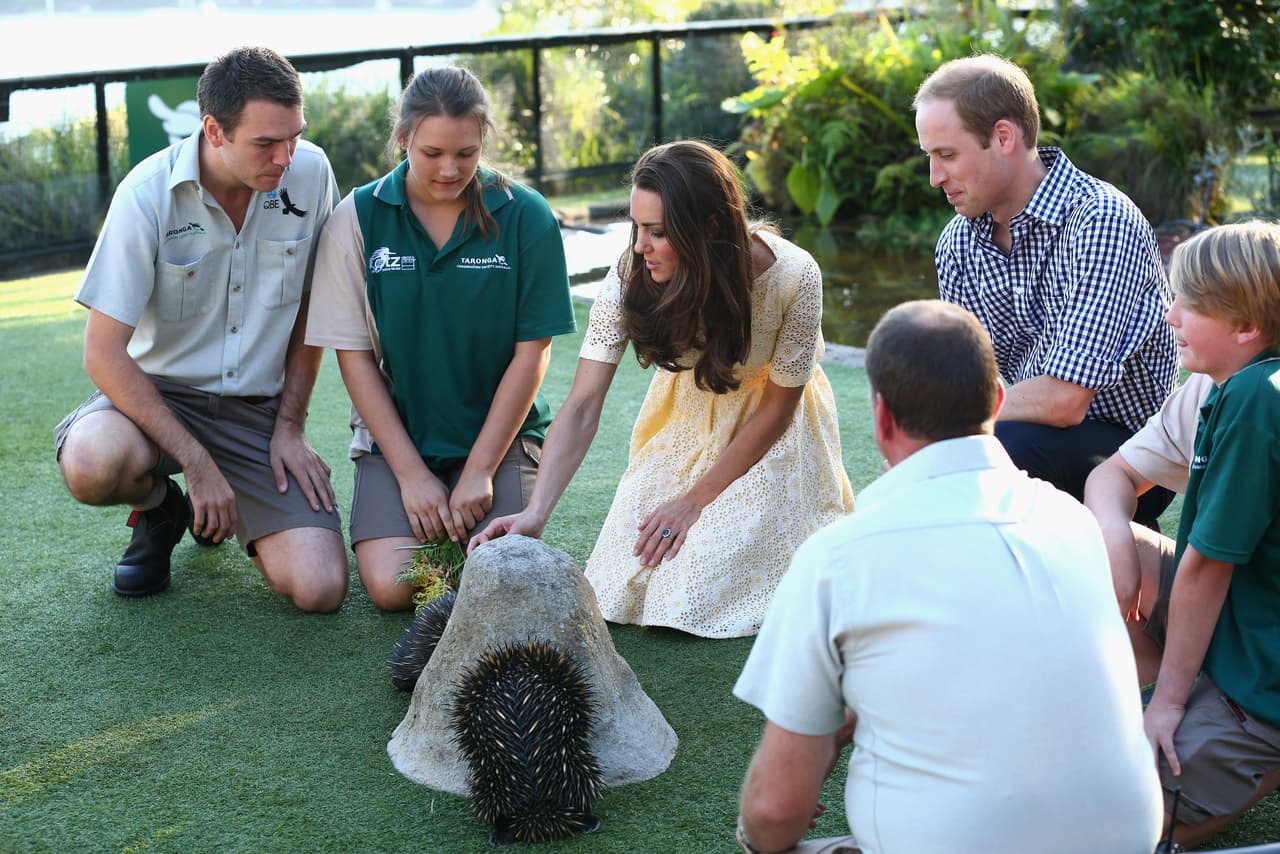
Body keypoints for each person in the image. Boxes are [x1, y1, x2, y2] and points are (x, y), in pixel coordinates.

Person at [733, 300, 1163, 854]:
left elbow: (775, 812)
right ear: (1000, 401)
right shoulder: (1074, 522)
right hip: (1128, 841)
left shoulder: (838, 556)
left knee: (758, 840)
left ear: (883, 417)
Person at [471, 139, 855, 638]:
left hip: (771, 434)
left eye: (657, 232)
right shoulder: (632, 273)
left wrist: (694, 501)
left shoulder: (795, 275)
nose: (638, 246)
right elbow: (584, 403)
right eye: (636, 227)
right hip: (685, 424)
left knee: (695, 591)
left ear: (709, 229)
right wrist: (536, 511)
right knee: (619, 584)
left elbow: (781, 408)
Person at [53, 46, 348, 612]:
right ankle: (166, 508)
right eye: (266, 142)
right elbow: (103, 354)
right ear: (213, 130)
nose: (286, 156)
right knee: (93, 465)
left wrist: (290, 425)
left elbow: (312, 310)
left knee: (320, 589)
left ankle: (238, 500)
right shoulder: (145, 196)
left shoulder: (311, 173)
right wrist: (196, 464)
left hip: (257, 411)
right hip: (158, 399)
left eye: (294, 136)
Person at [304, 66, 576, 611]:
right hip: (399, 440)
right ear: (403, 138)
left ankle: (484, 493)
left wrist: (478, 471)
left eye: (466, 153)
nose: (450, 169)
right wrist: (410, 475)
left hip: (498, 439)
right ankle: (421, 505)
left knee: (501, 567)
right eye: (432, 153)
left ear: (483, 142)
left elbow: (533, 353)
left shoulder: (527, 215)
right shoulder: (355, 219)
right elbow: (353, 359)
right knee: (392, 587)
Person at [914, 53, 1178, 529]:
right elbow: (972, 375)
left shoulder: (1100, 220)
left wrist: (948, 418)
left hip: (1134, 456)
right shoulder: (957, 243)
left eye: (947, 155)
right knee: (952, 454)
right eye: (930, 157)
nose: (934, 178)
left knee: (999, 447)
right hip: (1020, 428)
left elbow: (1065, 400)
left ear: (1003, 137)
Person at [1084, 222, 1280, 849]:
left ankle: (1248, 746)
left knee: (1117, 825)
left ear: (1246, 326)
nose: (1170, 314)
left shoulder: (1257, 398)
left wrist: (1165, 705)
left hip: (1263, 675)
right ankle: (1185, 696)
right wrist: (1117, 536)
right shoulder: (1237, 382)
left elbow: (1206, 568)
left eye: (1188, 303)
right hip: (1242, 623)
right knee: (1088, 543)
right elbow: (1117, 477)